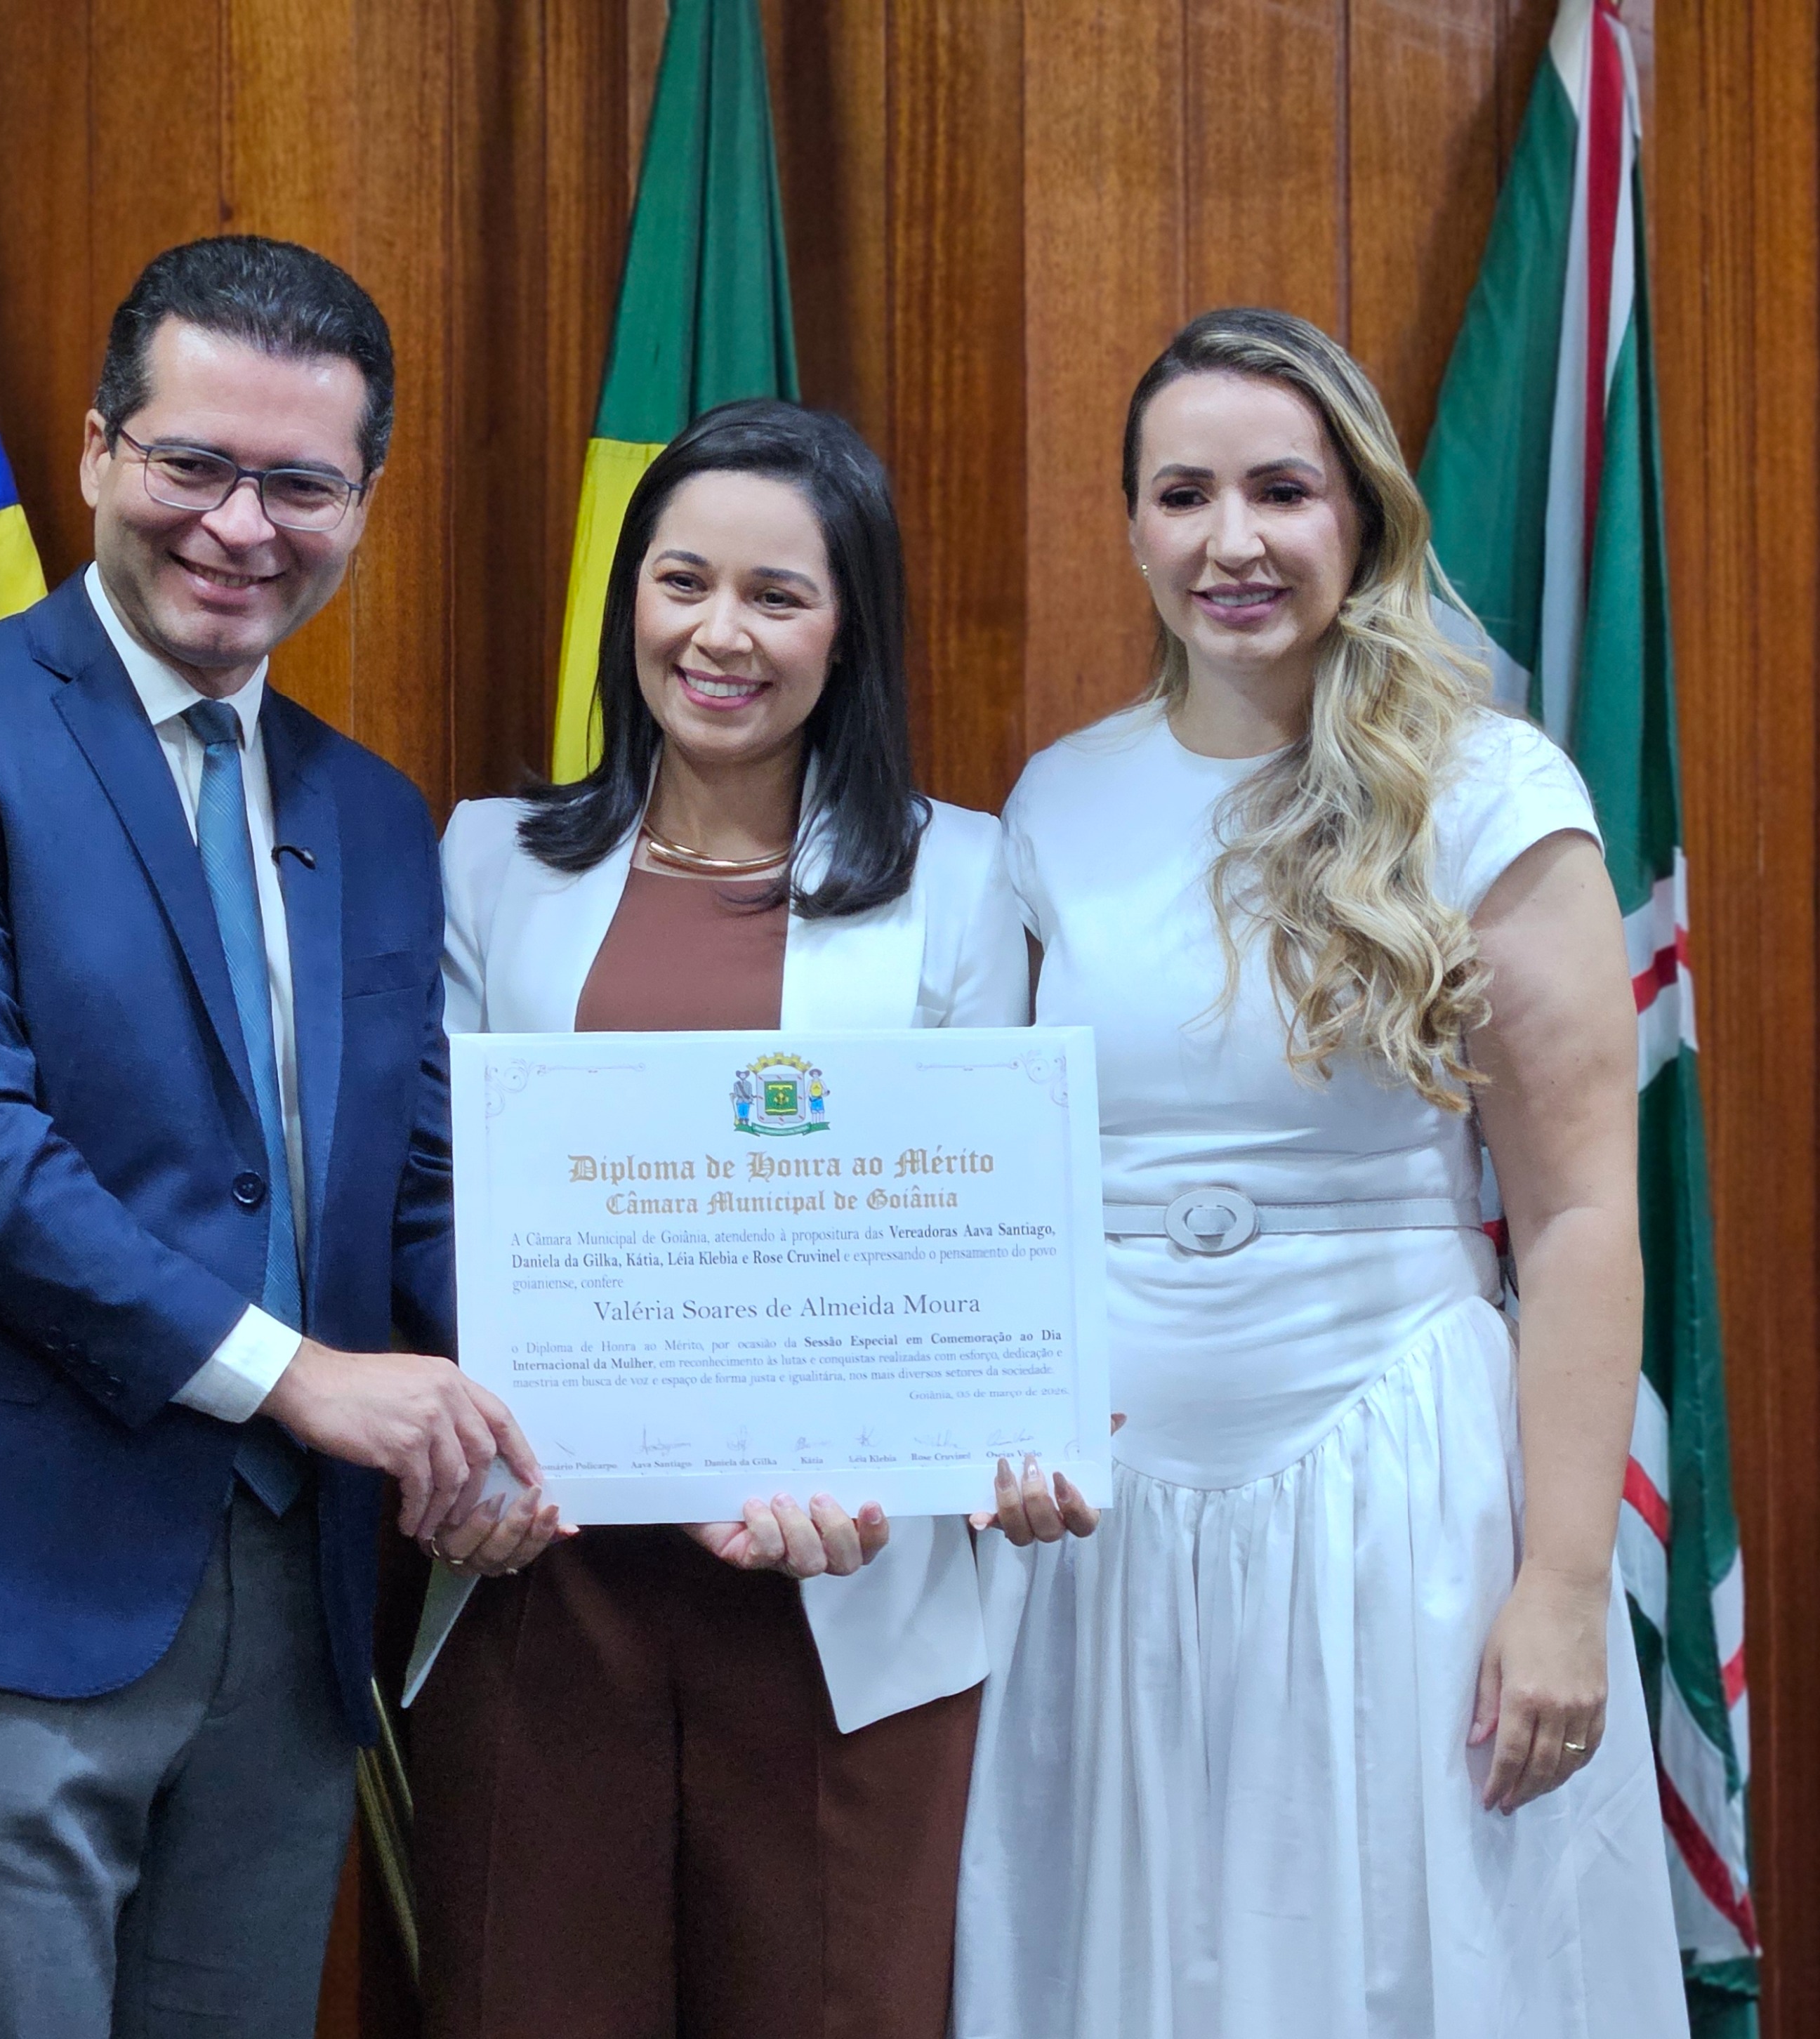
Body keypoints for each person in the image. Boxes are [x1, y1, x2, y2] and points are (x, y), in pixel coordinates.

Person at [0, 235, 555, 2039]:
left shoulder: (373, 814)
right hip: (7, 1580)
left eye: (300, 485)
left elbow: (417, 1189)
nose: (240, 526)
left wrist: (581, 1414)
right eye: (193, 463)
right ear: (95, 452)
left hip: (298, 1607)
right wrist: (301, 1378)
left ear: (362, 502)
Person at [951, 308, 1687, 2037]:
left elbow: (1581, 1218)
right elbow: (999, 1186)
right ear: (1133, 528)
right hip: (1105, 1525)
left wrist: (1560, 1588)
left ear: (1360, 515)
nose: (1233, 541)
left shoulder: (1492, 793)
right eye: (1183, 495)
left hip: (1400, 1497)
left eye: (1281, 491)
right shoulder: (1057, 802)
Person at [406, 399, 1029, 2039]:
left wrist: (892, 1458)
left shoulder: (964, 880)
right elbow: (437, 1203)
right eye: (682, 582)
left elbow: (974, 1242)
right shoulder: (487, 863)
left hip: (840, 1594)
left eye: (777, 595)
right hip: (547, 1580)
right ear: (630, 600)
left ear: (848, 628)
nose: (719, 634)